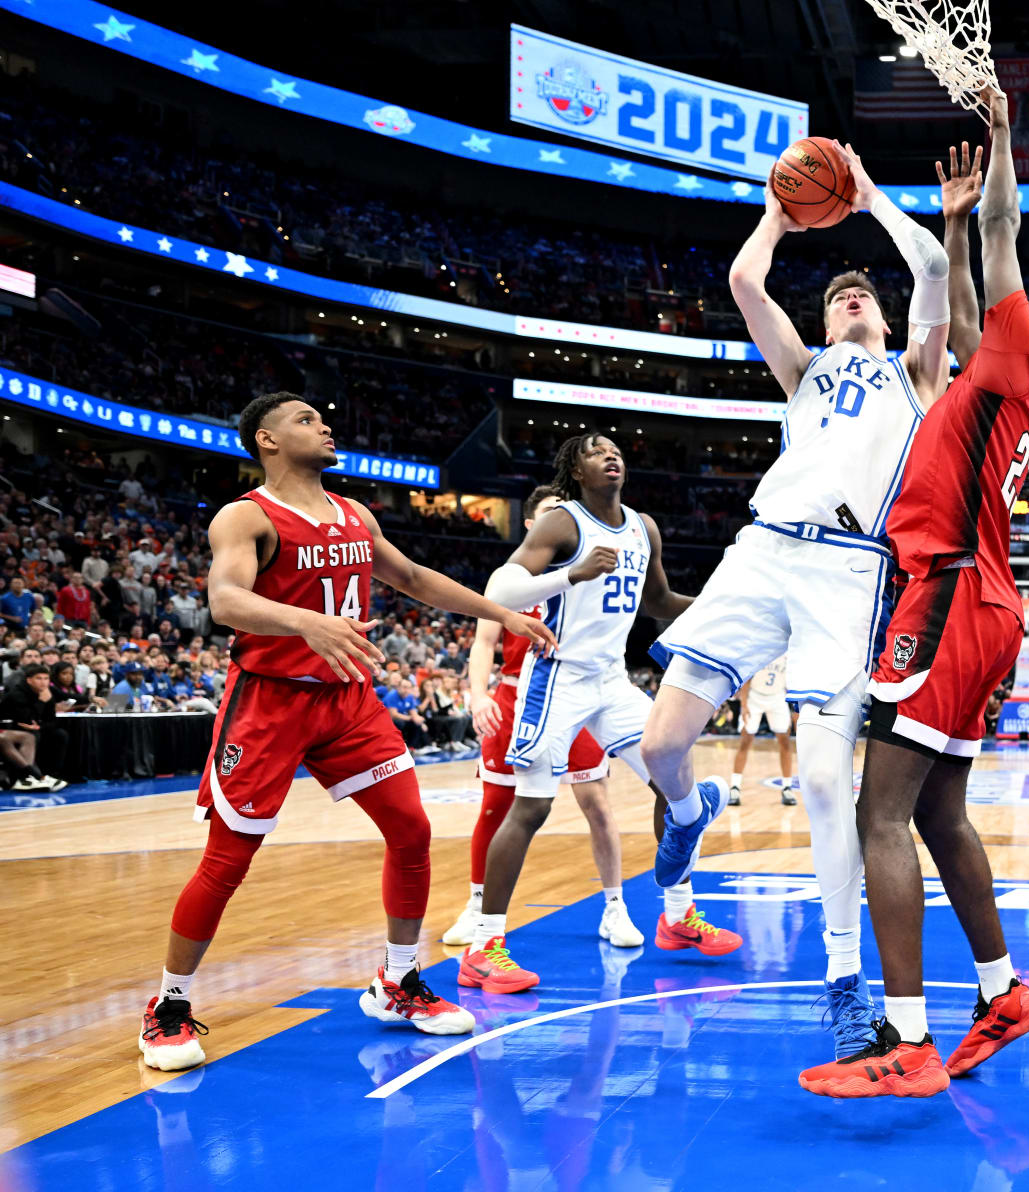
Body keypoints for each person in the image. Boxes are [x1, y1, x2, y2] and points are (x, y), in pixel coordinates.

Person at [802, 98, 1029, 1098]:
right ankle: (1002, 987)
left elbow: (1010, 243)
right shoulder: (1009, 384)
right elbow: (972, 314)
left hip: (941, 596)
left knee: (876, 813)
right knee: (938, 812)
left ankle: (905, 1037)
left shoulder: (1022, 365)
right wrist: (952, 222)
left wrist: (1008, 149)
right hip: (982, 604)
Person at [636, 133, 956, 1061]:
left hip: (851, 573)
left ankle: (844, 980)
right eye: (834, 296)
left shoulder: (916, 376)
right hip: (761, 552)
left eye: (861, 294)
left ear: (888, 322)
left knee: (823, 779)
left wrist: (868, 197)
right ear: (819, 328)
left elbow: (932, 263)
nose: (848, 296)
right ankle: (691, 815)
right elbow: (744, 283)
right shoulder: (805, 373)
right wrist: (781, 214)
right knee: (661, 746)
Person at [137, 392, 557, 1073]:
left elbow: (415, 577)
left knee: (411, 830)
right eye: (305, 419)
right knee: (228, 860)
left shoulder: (354, 515)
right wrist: (306, 622)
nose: (324, 425)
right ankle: (169, 1005)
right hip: (271, 704)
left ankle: (397, 982)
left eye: (322, 417)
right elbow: (224, 599)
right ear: (266, 441)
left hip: (349, 703)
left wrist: (501, 614)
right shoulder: (245, 516)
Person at [463, 434, 694, 994]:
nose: (609, 455)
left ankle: (678, 917)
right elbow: (502, 590)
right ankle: (483, 947)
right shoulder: (562, 523)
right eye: (594, 451)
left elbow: (659, 604)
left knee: (673, 774)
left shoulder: (643, 526)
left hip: (612, 680)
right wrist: (572, 574)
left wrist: (732, 608)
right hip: (558, 678)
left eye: (614, 448)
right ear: (575, 470)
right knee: (532, 807)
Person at [440, 486, 637, 951]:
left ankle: (615, 906)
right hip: (514, 698)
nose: (565, 523)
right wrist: (477, 694)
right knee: (495, 808)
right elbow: (484, 642)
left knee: (599, 805)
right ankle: (477, 905)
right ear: (532, 525)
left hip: (579, 694)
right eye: (553, 515)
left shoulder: (589, 572)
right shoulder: (510, 581)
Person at [730, 655, 798, 807]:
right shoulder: (762, 648)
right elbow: (747, 678)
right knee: (745, 742)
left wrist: (795, 708)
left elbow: (794, 681)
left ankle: (787, 787)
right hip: (754, 696)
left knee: (785, 742)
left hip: (778, 697)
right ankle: (735, 787)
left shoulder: (789, 652)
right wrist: (744, 705)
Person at [0, 664, 66, 792]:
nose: (43, 682)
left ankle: (29, 778)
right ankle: (36, 776)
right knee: (8, 739)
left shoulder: (47, 693)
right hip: (10, 726)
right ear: (29, 680)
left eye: (46, 678)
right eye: (39, 678)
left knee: (31, 736)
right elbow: (26, 719)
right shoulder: (17, 693)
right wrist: (41, 702)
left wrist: (39, 726)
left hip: (14, 729)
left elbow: (50, 720)